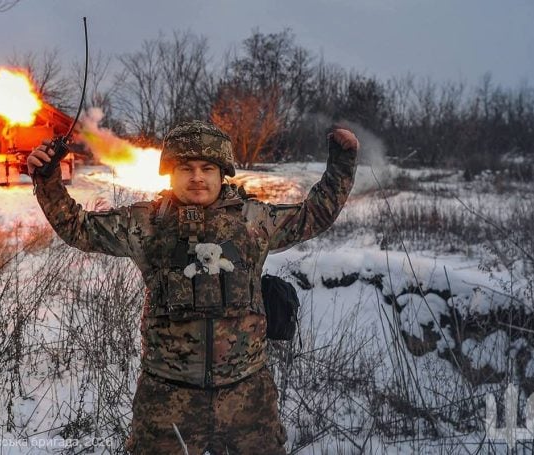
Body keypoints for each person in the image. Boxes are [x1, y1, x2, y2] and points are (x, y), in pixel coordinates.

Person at [27, 120, 359, 455]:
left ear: (222, 173)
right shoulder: (145, 223)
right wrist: (47, 177)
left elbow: (313, 215)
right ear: (170, 173)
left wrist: (342, 162)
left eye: (207, 168)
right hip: (167, 399)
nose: (197, 177)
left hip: (247, 397)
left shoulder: (253, 220)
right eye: (186, 168)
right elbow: (78, 228)